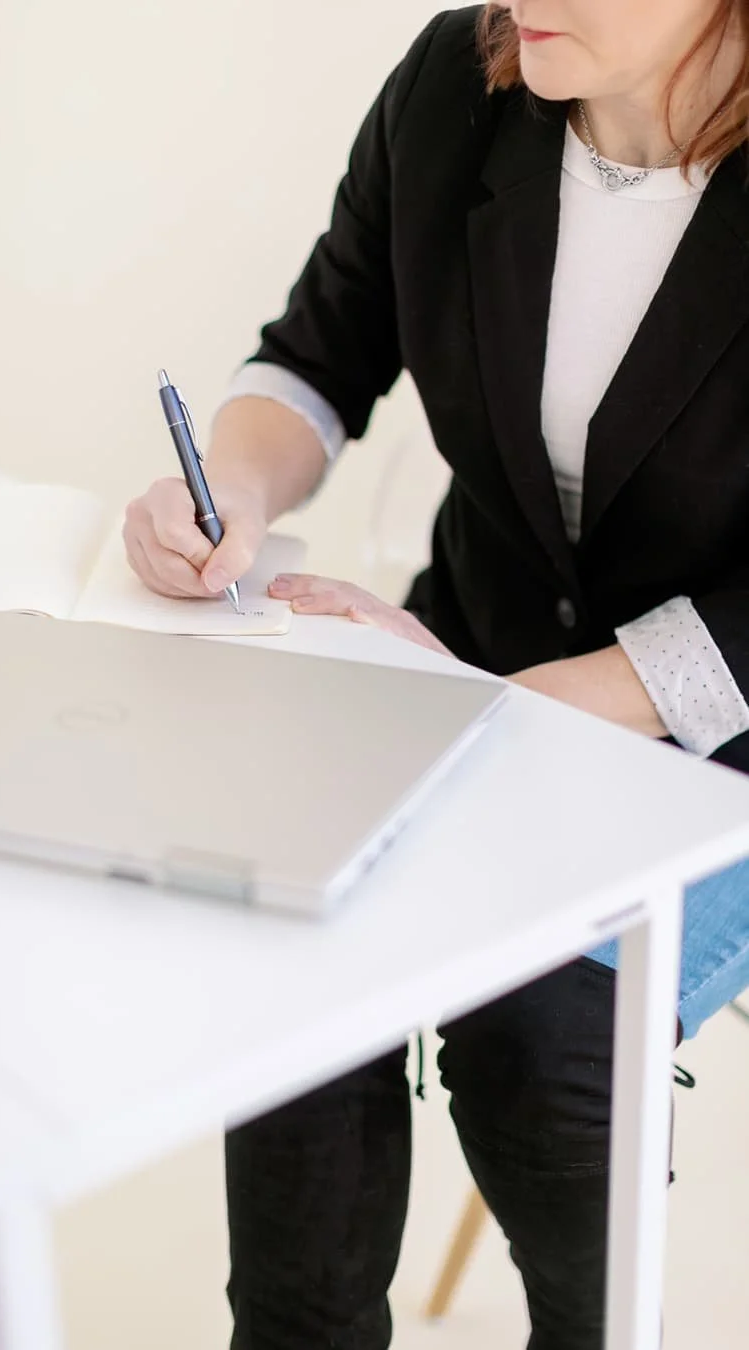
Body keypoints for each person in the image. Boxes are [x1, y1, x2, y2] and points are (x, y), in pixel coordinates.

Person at [124, 3, 749, 1345]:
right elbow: (314, 352)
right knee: (295, 954)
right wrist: (229, 484)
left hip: (717, 735)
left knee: (540, 1040)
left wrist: (500, 709)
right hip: (461, 654)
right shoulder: (457, 87)